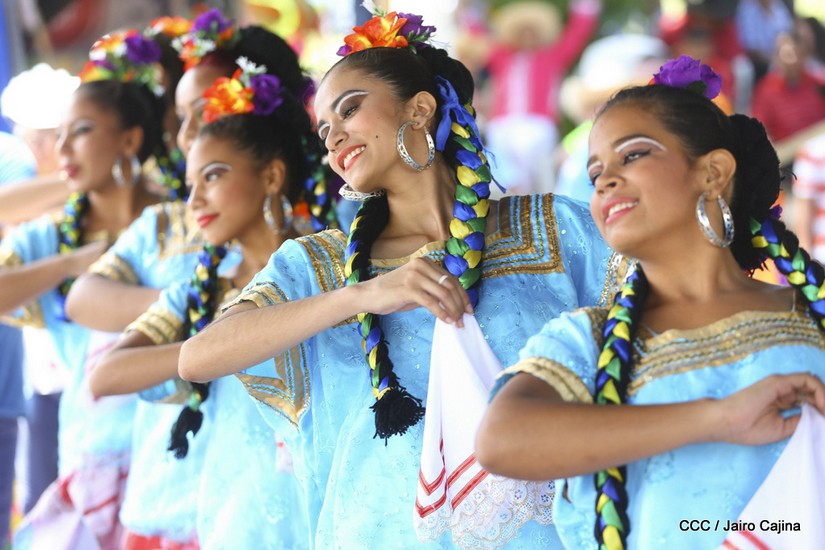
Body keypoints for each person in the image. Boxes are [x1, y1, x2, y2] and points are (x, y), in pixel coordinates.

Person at [178, 10, 624, 548]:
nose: (334, 137)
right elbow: (198, 358)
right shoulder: (317, 265)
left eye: (349, 109)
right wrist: (366, 294)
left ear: (419, 109)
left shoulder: (551, 227)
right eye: (324, 130)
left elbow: (657, 320)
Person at [476, 55, 825, 549]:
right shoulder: (589, 339)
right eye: (595, 172)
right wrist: (718, 418)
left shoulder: (812, 310)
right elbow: (502, 440)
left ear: (713, 172)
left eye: (633, 154)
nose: (604, 180)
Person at [87, 52, 317, 550]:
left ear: (271, 176)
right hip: (238, 524)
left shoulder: (333, 268)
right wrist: (220, 346)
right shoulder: (205, 290)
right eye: (191, 185)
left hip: (329, 517)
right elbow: (106, 376)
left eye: (212, 176)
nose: (195, 202)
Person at [66, 9, 336, 334]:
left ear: (258, 114)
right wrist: (207, 304)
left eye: (206, 112)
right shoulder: (165, 224)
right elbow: (81, 300)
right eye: (181, 118)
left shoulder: (335, 232)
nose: (186, 135)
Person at [5, 30, 170, 550]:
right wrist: (73, 262)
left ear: (130, 140)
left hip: (174, 445)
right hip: (91, 450)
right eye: (59, 136)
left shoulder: (181, 222)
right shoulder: (52, 237)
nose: (61, 149)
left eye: (80, 132)